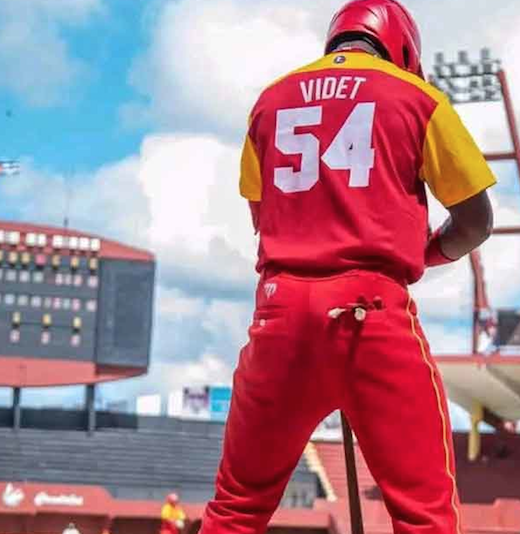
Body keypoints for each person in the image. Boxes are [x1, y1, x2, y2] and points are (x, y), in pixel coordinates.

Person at [199, 2, 495, 534]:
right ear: (402, 48)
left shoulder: (269, 101)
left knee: (236, 507)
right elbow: (475, 223)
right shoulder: (418, 98)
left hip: (280, 313)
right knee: (424, 514)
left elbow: (263, 216)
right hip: (372, 309)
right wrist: (423, 253)